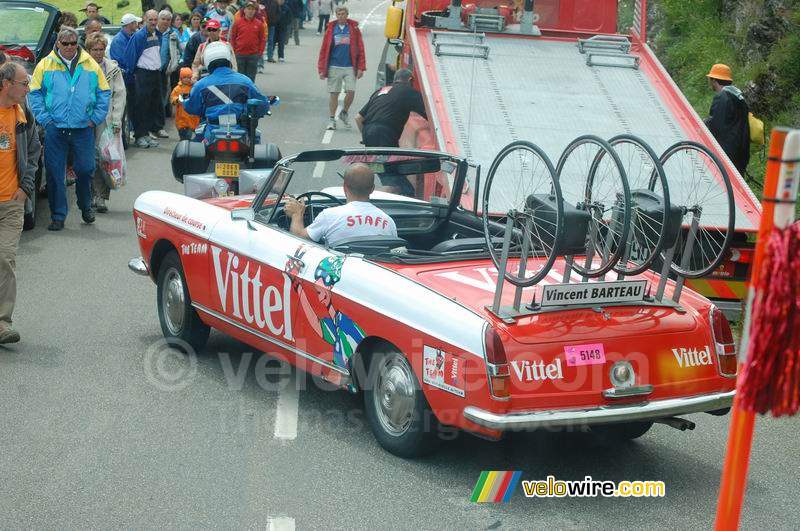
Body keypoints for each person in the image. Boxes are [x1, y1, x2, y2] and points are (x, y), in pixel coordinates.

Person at [29, 27, 110, 231]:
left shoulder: (90, 64)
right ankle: (58, 216)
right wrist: (45, 119)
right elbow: (34, 93)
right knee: (55, 175)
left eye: (73, 43)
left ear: (78, 43)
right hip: (55, 129)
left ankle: (85, 206)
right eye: (65, 43)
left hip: (83, 129)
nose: (69, 47)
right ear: (57, 44)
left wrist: (95, 118)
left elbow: (104, 92)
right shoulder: (45, 65)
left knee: (85, 169)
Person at [0, 62, 41, 344]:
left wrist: (25, 189)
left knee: (5, 258)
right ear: (6, 84)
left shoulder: (24, 114)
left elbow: (35, 151)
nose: (28, 89)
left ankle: (2, 323)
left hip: (11, 203)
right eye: (24, 84)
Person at [283, 163, 398, 246]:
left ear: (344, 187)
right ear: (372, 189)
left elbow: (299, 238)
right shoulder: (388, 222)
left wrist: (296, 215)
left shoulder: (329, 216)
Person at [183, 41, 268, 142]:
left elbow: (191, 108)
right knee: (255, 143)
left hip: (212, 132)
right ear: (229, 59)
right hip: (240, 132)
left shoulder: (201, 85)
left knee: (194, 149)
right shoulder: (245, 81)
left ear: (207, 61)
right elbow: (263, 106)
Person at [86, 34, 126, 214]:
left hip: (107, 120)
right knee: (89, 159)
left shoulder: (113, 69)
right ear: (88, 50)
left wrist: (117, 120)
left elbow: (120, 95)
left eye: (101, 49)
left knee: (106, 158)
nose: (98, 53)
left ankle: (101, 196)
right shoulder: (82, 68)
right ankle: (91, 194)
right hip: (86, 119)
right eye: (94, 49)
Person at [317, 6, 366, 131]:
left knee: (351, 91)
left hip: (350, 66)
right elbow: (324, 49)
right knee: (334, 93)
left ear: (347, 15)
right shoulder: (331, 29)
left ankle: (344, 111)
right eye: (338, 14)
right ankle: (332, 119)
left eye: (343, 14)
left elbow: (360, 47)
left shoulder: (353, 29)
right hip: (334, 66)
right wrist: (321, 68)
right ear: (336, 15)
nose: (341, 16)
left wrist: (361, 67)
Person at [705, 63, 750, 175]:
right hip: (741, 151)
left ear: (714, 80)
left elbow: (717, 125)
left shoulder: (722, 98)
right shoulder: (739, 98)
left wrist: (705, 123)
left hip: (726, 152)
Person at [230, 1, 266, 81]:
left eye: (252, 9)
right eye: (248, 9)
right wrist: (234, 51)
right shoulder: (238, 23)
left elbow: (262, 39)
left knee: (251, 78)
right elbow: (233, 38)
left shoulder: (259, 24)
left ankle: (249, 93)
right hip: (240, 55)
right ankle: (240, 93)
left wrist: (259, 52)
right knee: (239, 77)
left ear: (255, 11)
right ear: (244, 10)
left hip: (253, 55)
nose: (250, 11)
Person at [170, 67, 200, 139]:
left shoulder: (194, 88)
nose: (186, 79)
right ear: (181, 78)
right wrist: (177, 100)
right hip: (182, 119)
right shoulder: (177, 89)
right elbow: (172, 99)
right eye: (184, 77)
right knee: (185, 138)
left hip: (193, 118)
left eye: (188, 77)